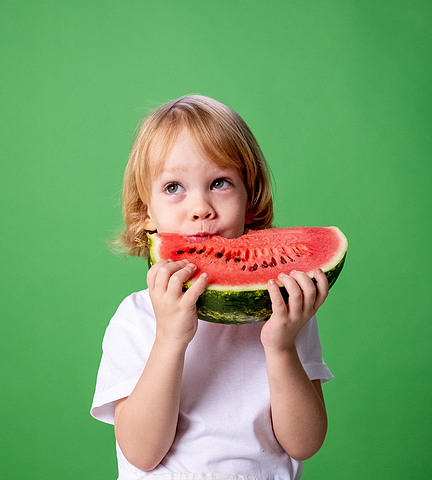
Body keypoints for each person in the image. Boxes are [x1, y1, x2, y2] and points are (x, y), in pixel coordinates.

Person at [91, 95, 333, 480]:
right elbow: (141, 453)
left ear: (250, 200)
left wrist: (281, 346)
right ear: (145, 214)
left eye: (220, 183)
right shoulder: (135, 319)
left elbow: (304, 443)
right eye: (174, 187)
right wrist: (169, 339)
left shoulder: (286, 312)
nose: (201, 207)